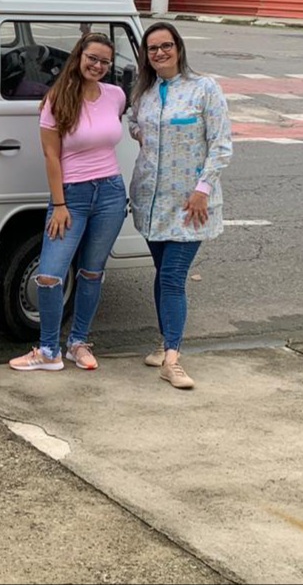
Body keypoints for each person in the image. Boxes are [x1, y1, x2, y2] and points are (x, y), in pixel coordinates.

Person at [9, 32, 129, 372]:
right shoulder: (57, 99)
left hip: (111, 192)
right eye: (92, 58)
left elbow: (109, 136)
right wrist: (59, 205)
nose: (98, 66)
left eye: (105, 61)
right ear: (78, 56)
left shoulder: (116, 95)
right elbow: (51, 156)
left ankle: (78, 343)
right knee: (49, 274)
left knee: (92, 272)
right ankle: (49, 350)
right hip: (71, 196)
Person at [128, 22, 232, 389]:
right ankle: (165, 342)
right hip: (151, 200)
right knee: (162, 273)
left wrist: (202, 188)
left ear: (178, 48)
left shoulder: (204, 89)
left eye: (166, 45)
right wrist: (143, 137)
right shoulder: (144, 93)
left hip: (191, 204)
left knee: (173, 276)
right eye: (152, 48)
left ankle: (172, 359)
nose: (160, 53)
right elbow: (134, 124)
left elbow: (221, 144)